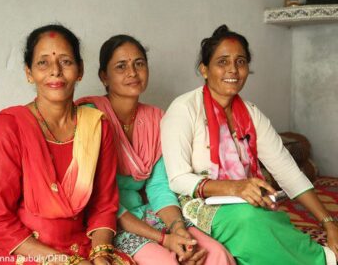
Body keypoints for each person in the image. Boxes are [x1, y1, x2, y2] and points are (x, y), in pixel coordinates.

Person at [160, 24, 338, 265]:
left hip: (245, 201)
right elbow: (178, 179)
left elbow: (286, 170)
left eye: (240, 61)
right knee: (250, 222)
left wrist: (328, 222)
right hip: (194, 205)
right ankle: (324, 260)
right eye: (222, 62)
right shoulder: (183, 109)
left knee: (271, 221)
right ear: (204, 69)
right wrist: (235, 187)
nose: (233, 69)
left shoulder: (251, 114)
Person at [0, 24, 133, 265]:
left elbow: (103, 205)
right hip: (23, 250)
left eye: (66, 61)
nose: (55, 71)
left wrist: (101, 254)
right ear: (29, 73)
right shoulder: (9, 128)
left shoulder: (97, 126)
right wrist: (66, 262)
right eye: (43, 63)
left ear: (80, 70)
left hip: (81, 246)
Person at [76, 35, 236, 265]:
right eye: (121, 66)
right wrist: (163, 240)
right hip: (110, 222)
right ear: (104, 77)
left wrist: (178, 229)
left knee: (215, 254)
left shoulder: (157, 118)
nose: (132, 72)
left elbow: (159, 186)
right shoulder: (90, 115)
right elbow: (100, 200)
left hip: (147, 213)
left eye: (139, 64)